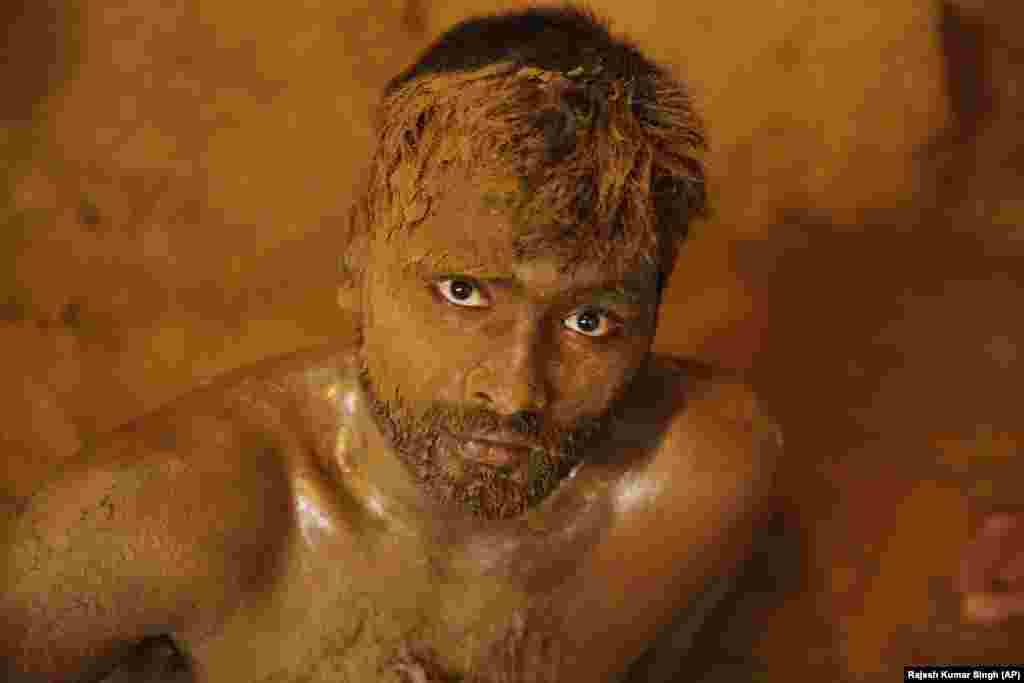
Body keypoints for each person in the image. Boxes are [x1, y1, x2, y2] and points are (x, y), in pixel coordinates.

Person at [1, 6, 783, 682]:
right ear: (353, 271)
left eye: (589, 321)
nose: (515, 394)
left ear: (653, 314)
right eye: (464, 291)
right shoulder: (148, 523)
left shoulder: (703, 482)